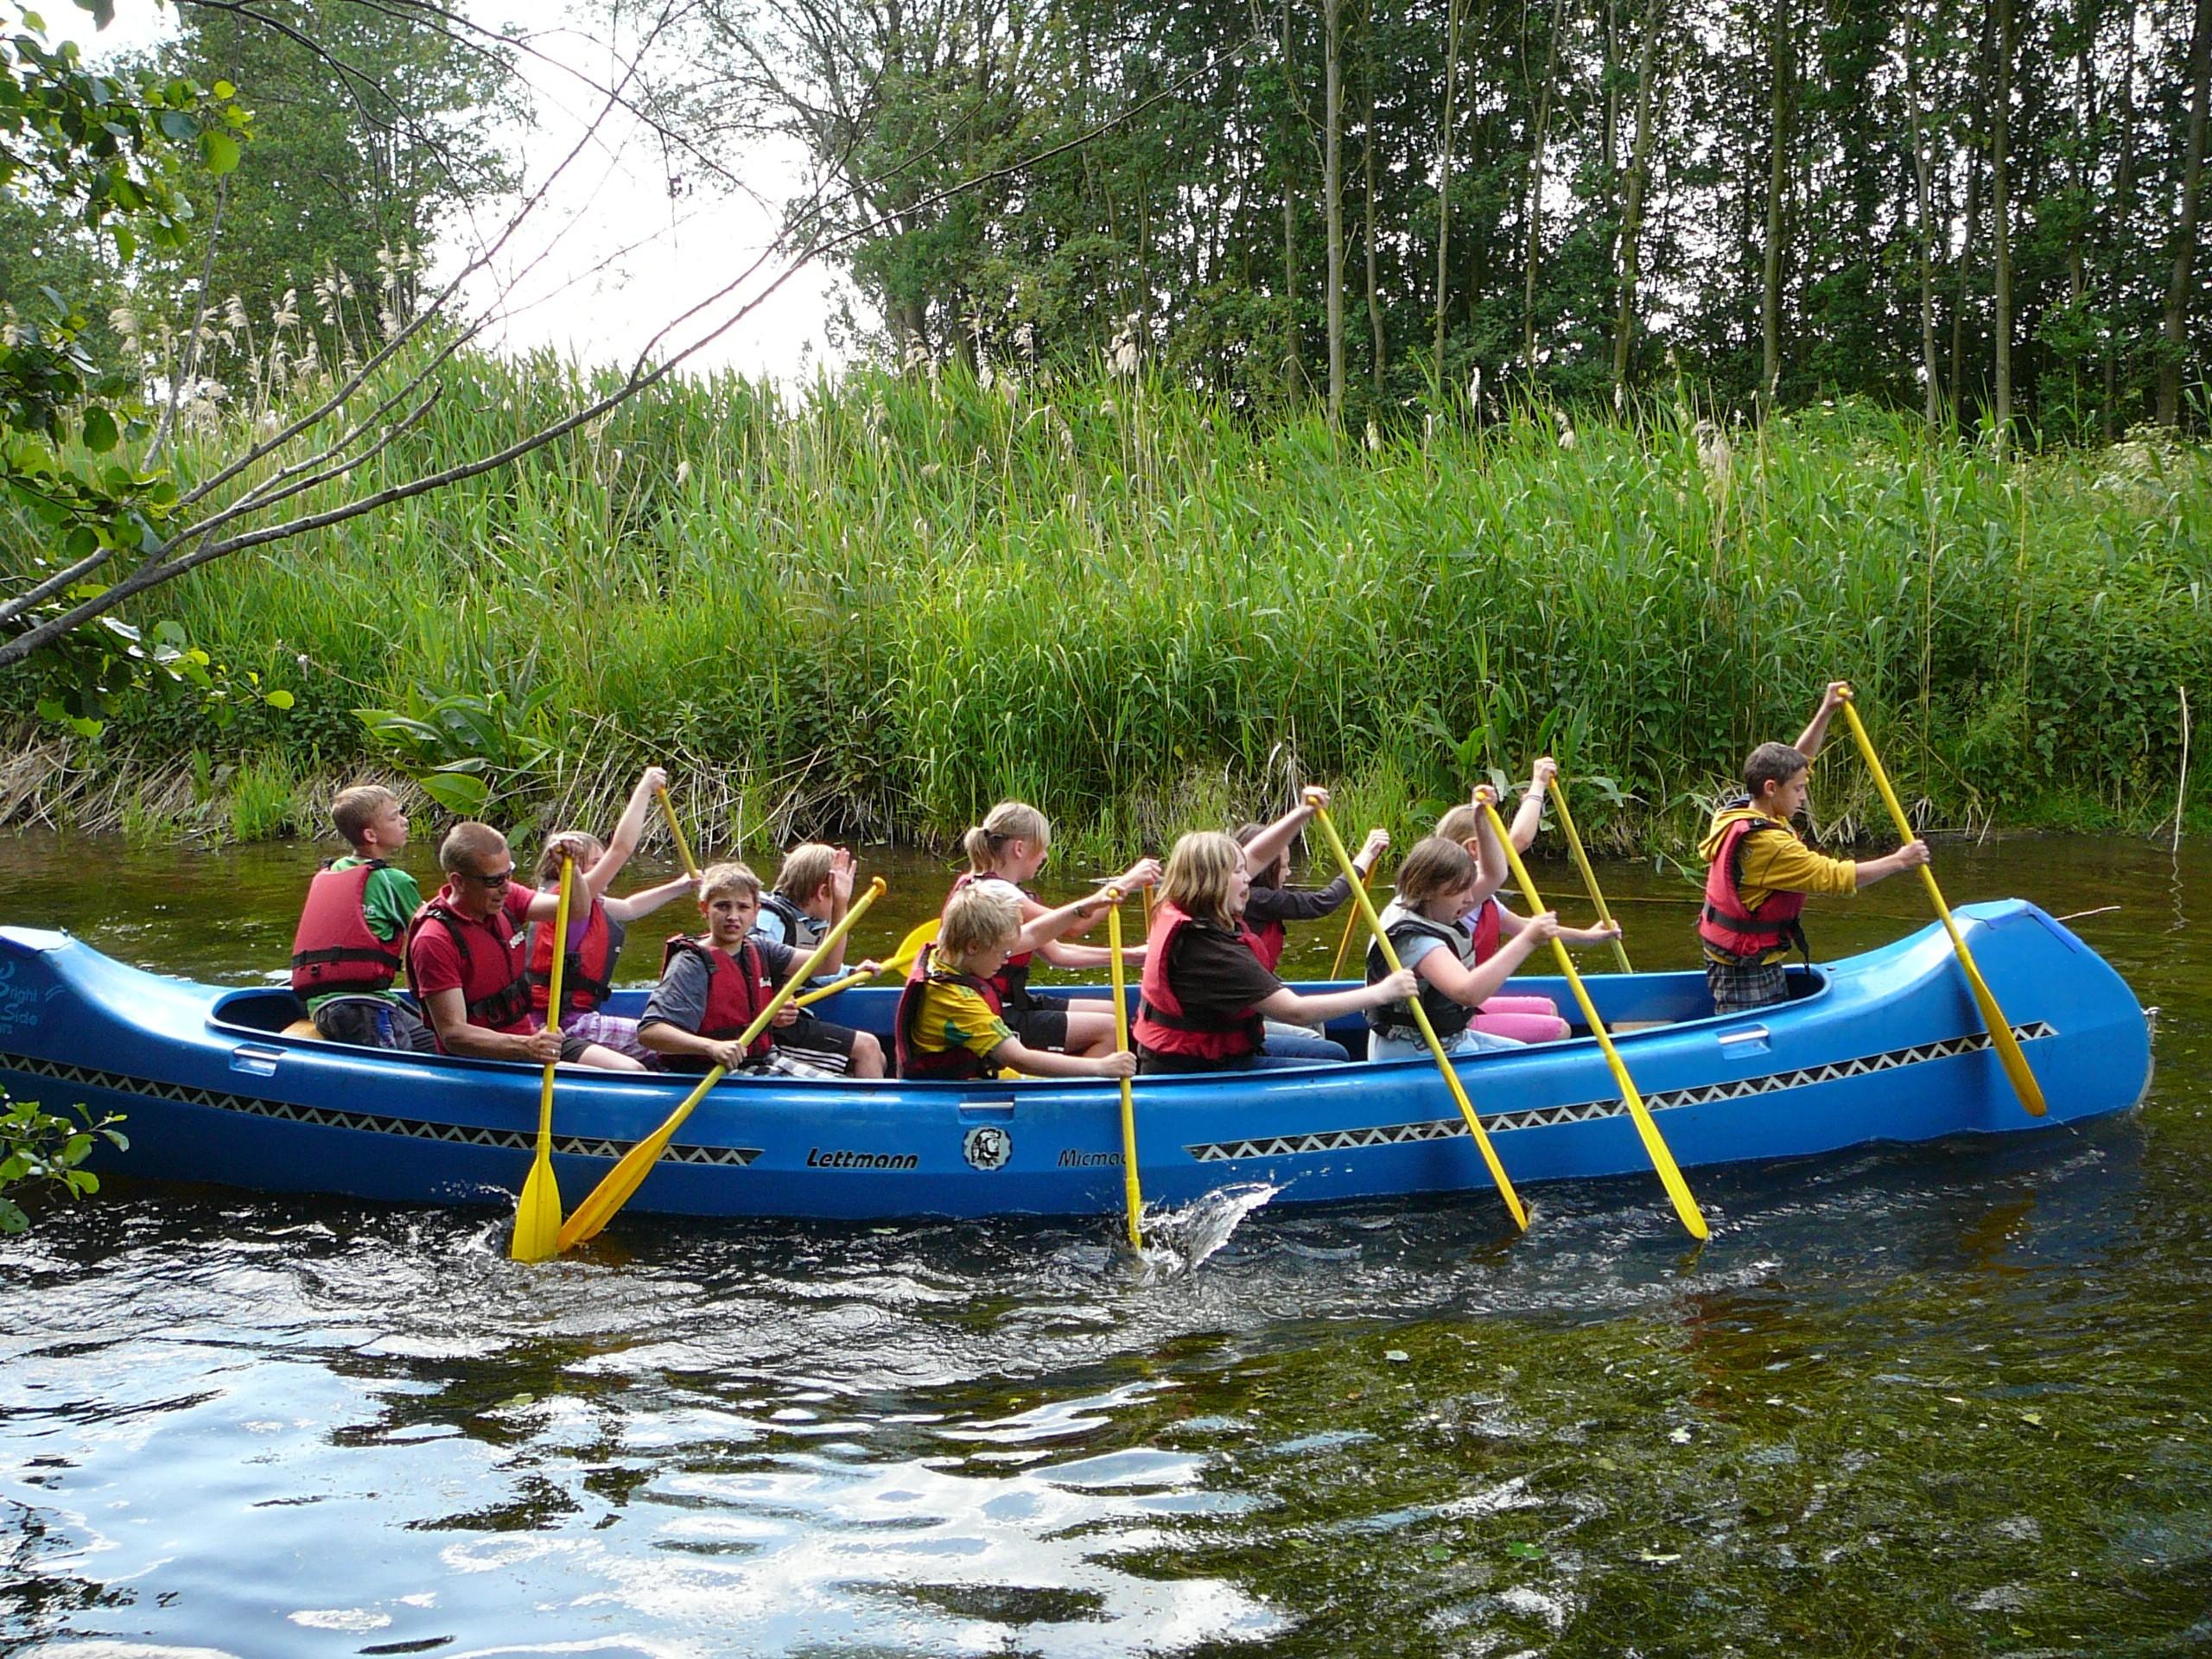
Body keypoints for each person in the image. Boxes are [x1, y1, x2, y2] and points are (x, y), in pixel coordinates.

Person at [1696, 680, 1930, 1015]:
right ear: (1771, 787)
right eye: (1799, 789)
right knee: (1751, 1041)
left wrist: (1826, 711)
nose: (1804, 797)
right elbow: (1834, 877)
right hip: (1744, 965)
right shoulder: (1770, 845)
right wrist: (1900, 861)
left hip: (1741, 953)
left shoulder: (1738, 810)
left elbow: (1798, 760)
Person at [1135, 830, 1417, 1073]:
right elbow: (1296, 1012)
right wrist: (1382, 991)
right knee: (1334, 1069)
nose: (1248, 879)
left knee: (1335, 1054)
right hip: (1197, 1067)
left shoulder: (1178, 904)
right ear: (1213, 882)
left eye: (1246, 869)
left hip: (1175, 1055)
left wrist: (1303, 812)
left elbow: (1256, 855)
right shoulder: (1213, 952)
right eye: (1238, 872)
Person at [404, 822, 641, 1069]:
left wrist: (570, 871)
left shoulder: (507, 899)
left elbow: (576, 910)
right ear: (458, 881)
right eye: (494, 881)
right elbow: (453, 1034)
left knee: (633, 1070)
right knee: (627, 1076)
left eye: (509, 874)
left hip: (530, 1039)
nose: (506, 887)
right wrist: (526, 1047)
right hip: (485, 1061)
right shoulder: (434, 939)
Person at [946, 801, 1160, 1056]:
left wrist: (1130, 956)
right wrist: (1126, 882)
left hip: (1011, 1002)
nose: (1046, 856)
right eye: (1043, 848)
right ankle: (1072, 1089)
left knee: (1115, 1011)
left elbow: (1058, 955)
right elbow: (1075, 925)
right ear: (1019, 848)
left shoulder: (988, 886)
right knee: (1111, 1028)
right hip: (994, 1012)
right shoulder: (994, 893)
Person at [527, 766, 698, 1065]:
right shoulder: (565, 899)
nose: (605, 868)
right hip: (563, 1024)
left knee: (673, 1037)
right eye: (596, 862)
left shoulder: (583, 902)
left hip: (577, 1017)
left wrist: (679, 886)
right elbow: (622, 849)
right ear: (573, 869)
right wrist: (644, 789)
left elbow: (631, 908)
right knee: (670, 1039)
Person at [1434, 785, 1623, 1042]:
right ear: (1475, 849)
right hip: (1446, 1014)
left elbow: (1525, 927)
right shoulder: (1461, 892)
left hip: (1460, 1004)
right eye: (1497, 841)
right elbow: (1520, 841)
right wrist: (1537, 784)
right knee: (1559, 1029)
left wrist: (1588, 936)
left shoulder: (1479, 898)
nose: (1505, 852)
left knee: (1548, 1007)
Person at [637, 861, 860, 1077]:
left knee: (846, 1089)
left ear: (755, 911)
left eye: (743, 907)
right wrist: (711, 1047)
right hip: (711, 1071)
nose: (733, 916)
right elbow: (651, 1032)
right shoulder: (691, 963)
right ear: (704, 908)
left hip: (761, 1059)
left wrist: (839, 904)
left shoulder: (758, 948)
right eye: (723, 906)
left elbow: (827, 964)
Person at [895, 885, 1139, 1082]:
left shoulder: (947, 950)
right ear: (973, 947)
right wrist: (1102, 1067)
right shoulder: (958, 1001)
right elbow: (1019, 1058)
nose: (1006, 960)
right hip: (952, 1093)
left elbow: (1033, 935)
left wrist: (1084, 908)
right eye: (1003, 952)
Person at [1363, 836, 1567, 1060]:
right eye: (1461, 889)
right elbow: (1468, 993)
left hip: (1447, 1042)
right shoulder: (1418, 941)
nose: (1470, 899)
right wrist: (1527, 940)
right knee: (1528, 1066)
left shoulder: (1415, 901)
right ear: (1428, 889)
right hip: (1417, 1053)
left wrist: (1482, 816)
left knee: (1527, 1058)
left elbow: (1494, 875)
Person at [1232, 791, 1388, 1061]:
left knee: (1314, 1021)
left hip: (1250, 995)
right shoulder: (1258, 899)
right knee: (1316, 1037)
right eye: (1284, 866)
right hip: (1241, 1009)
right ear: (1267, 870)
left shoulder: (1249, 899)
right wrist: (1364, 858)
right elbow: (1322, 902)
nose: (1289, 873)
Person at [289, 783, 435, 1051]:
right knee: (413, 1062)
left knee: (435, 1039)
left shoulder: (335, 869)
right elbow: (434, 937)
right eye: (395, 817)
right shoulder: (394, 881)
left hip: (322, 1006)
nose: (404, 821)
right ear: (371, 835)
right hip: (363, 1008)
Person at [747, 842, 887, 1078]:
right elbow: (750, 981)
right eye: (838, 895)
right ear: (822, 892)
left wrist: (850, 973)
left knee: (880, 1057)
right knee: (869, 1048)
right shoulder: (769, 924)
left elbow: (818, 970)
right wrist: (841, 906)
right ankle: (873, 1115)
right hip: (771, 1028)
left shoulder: (809, 922)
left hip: (792, 1018)